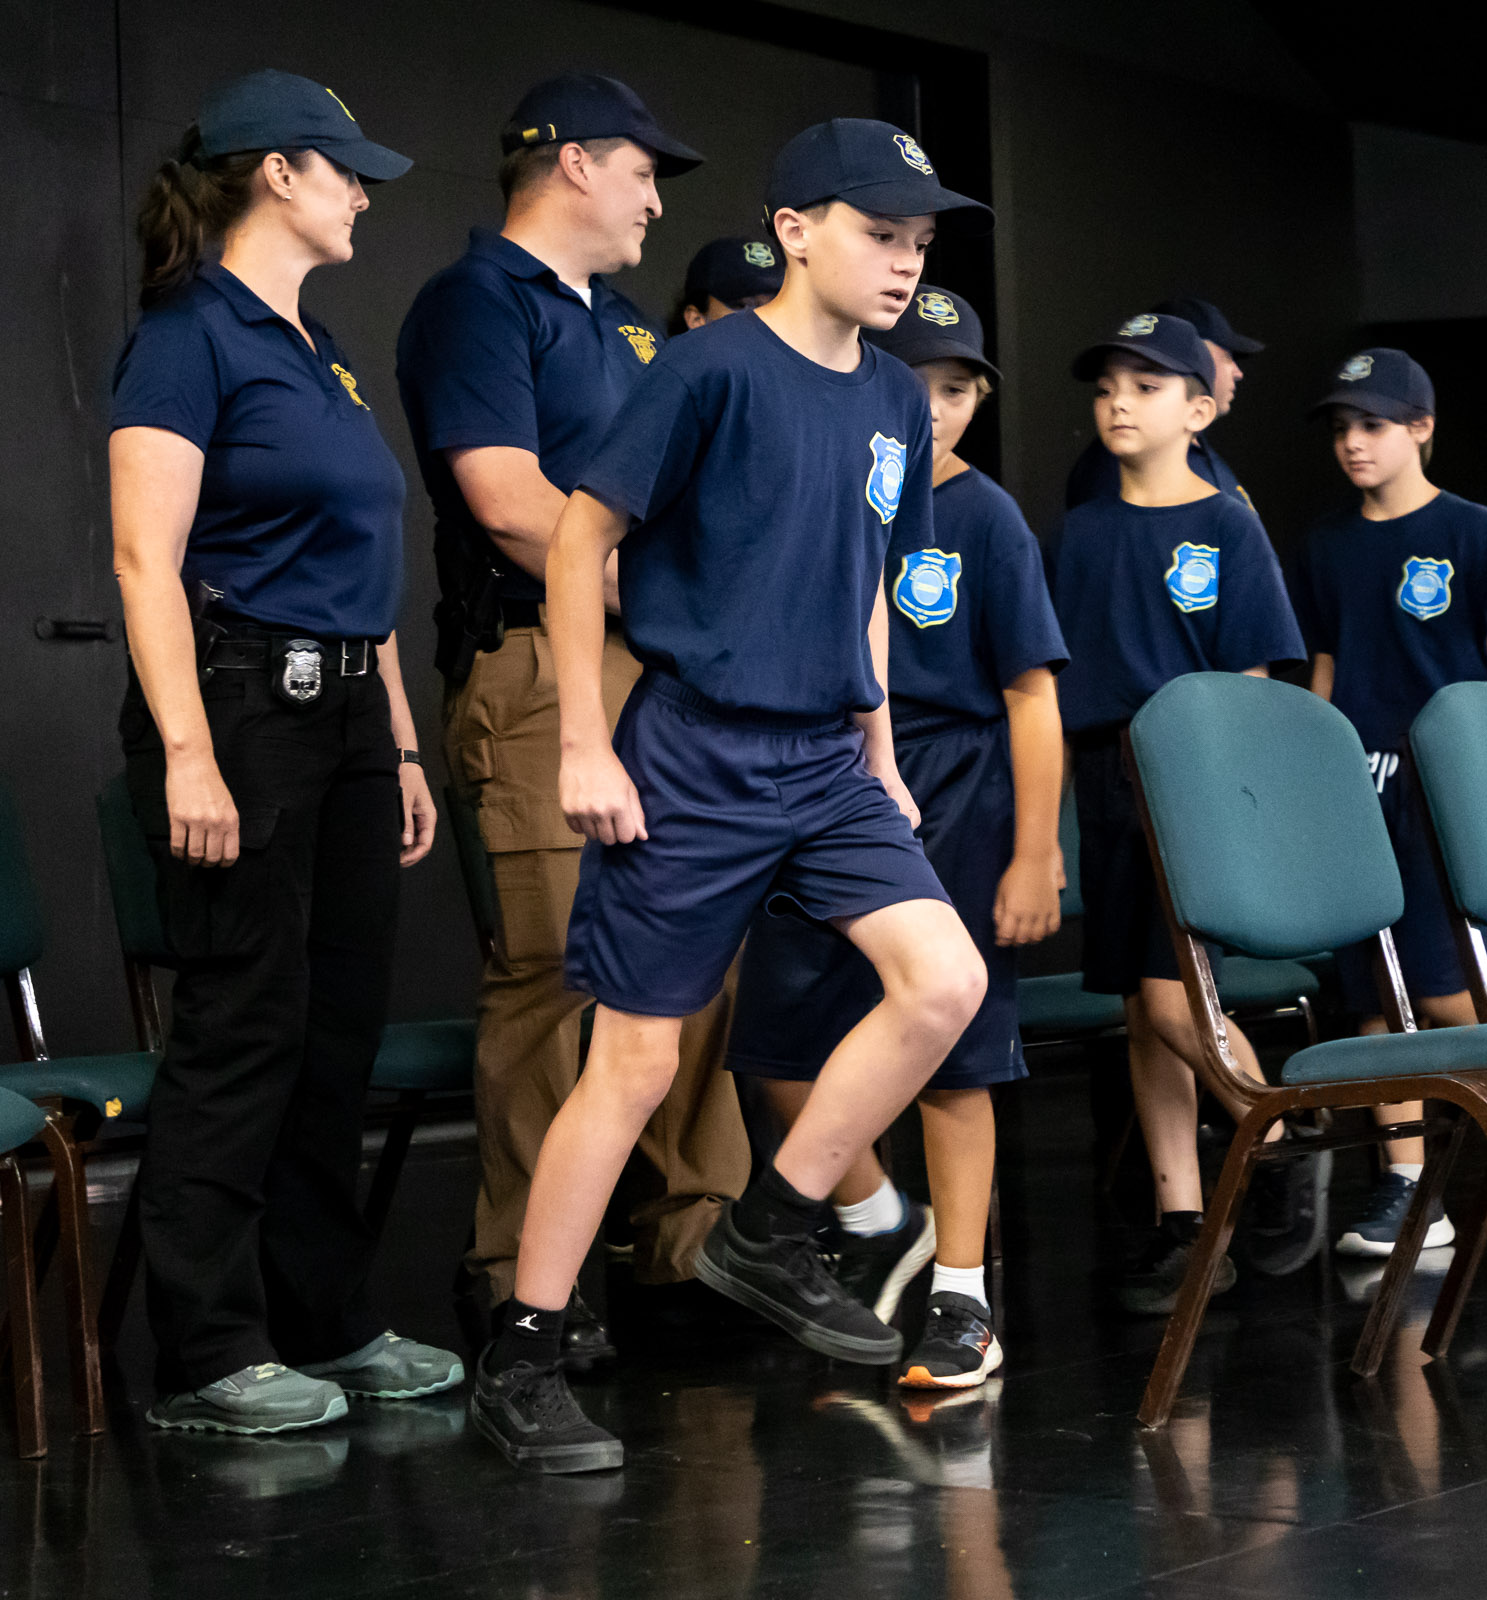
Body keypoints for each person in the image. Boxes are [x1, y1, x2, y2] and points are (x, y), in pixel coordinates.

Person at [469, 118, 996, 1473]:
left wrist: (879, 749)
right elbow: (581, 538)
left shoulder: (890, 396)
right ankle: (522, 1351)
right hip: (696, 750)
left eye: (920, 241)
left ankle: (769, 1230)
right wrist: (585, 740)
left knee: (943, 983)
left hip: (828, 758)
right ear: (798, 230)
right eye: (880, 234)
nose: (901, 261)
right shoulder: (705, 369)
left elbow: (871, 585)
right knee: (636, 1062)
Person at [110, 69, 461, 1433]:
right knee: (243, 1025)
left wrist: (405, 748)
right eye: (347, 170)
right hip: (240, 706)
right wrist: (190, 752)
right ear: (277, 175)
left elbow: (358, 569)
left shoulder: (318, 348)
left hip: (349, 721)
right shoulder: (187, 335)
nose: (365, 193)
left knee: (336, 1034)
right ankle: (206, 1353)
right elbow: (147, 559)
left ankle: (325, 1323)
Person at [396, 74, 744, 1368]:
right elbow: (503, 498)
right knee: (555, 971)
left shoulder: (628, 325)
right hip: (546, 664)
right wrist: (663, 581)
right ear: (579, 166)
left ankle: (687, 1249)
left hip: (661, 669)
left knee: (693, 957)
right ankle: (520, 1279)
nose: (659, 200)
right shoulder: (476, 304)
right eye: (646, 172)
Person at [724, 284, 1067, 1389]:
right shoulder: (830, 492)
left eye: (960, 388)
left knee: (958, 1058)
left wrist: (1033, 849)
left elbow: (1030, 695)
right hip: (820, 780)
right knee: (771, 1047)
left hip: (956, 787)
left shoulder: (986, 518)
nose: (939, 406)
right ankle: (874, 1214)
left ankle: (964, 1294)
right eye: (918, 382)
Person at [1049, 312, 1307, 1312]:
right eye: (1109, 383)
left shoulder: (1227, 523)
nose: (1119, 400)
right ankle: (1184, 1217)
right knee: (1136, 1010)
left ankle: (1279, 1145)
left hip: (1193, 779)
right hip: (1107, 779)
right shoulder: (1079, 529)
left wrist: (1230, 802)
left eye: (1147, 386)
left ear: (1198, 410)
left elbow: (1251, 676)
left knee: (1173, 1000)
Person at [1289, 348, 1487, 1255]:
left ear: (1422, 428)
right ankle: (1403, 1188)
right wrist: (1309, 774)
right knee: (1370, 997)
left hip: (1446, 783)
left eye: (1374, 425)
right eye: (1343, 428)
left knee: (1443, 988)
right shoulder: (1324, 542)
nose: (1353, 443)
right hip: (1357, 785)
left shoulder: (1475, 531)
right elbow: (1323, 666)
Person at [1061, 297, 1260, 512]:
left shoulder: (1196, 452)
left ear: (1199, 412)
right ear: (1197, 353)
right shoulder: (1111, 470)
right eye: (1227, 356)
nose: (1238, 372)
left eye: (1145, 387)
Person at [669, 235, 781, 333]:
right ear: (696, 319)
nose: (761, 319)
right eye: (742, 306)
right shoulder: (670, 356)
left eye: (772, 306)